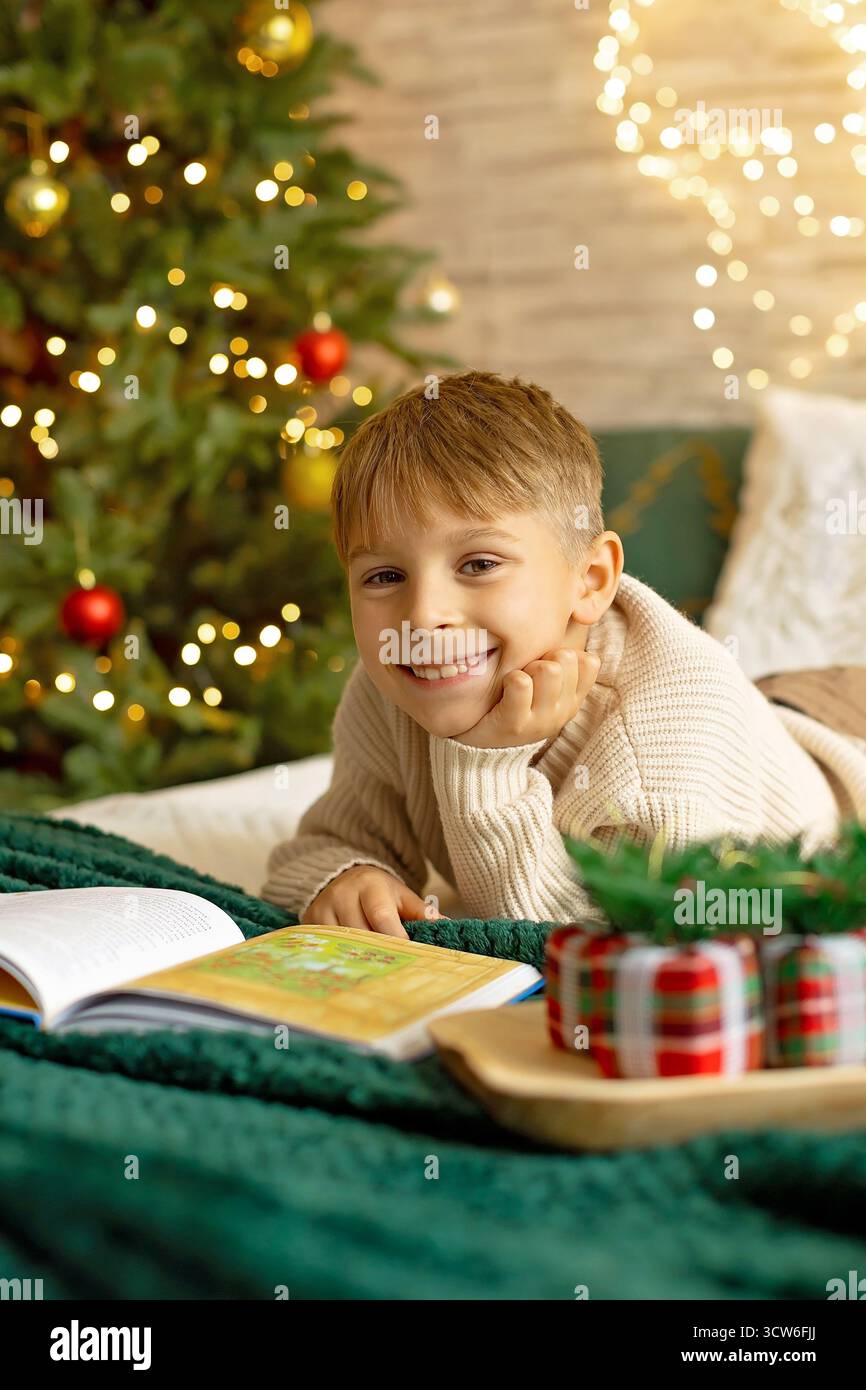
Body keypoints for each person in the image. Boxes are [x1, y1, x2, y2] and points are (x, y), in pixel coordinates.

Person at [261, 371, 866, 936]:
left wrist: (485, 766)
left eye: (478, 564)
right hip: (780, 702)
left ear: (591, 579)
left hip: (838, 748)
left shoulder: (658, 747)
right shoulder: (397, 677)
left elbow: (583, 940)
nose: (422, 615)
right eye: (385, 577)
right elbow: (327, 842)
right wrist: (345, 875)